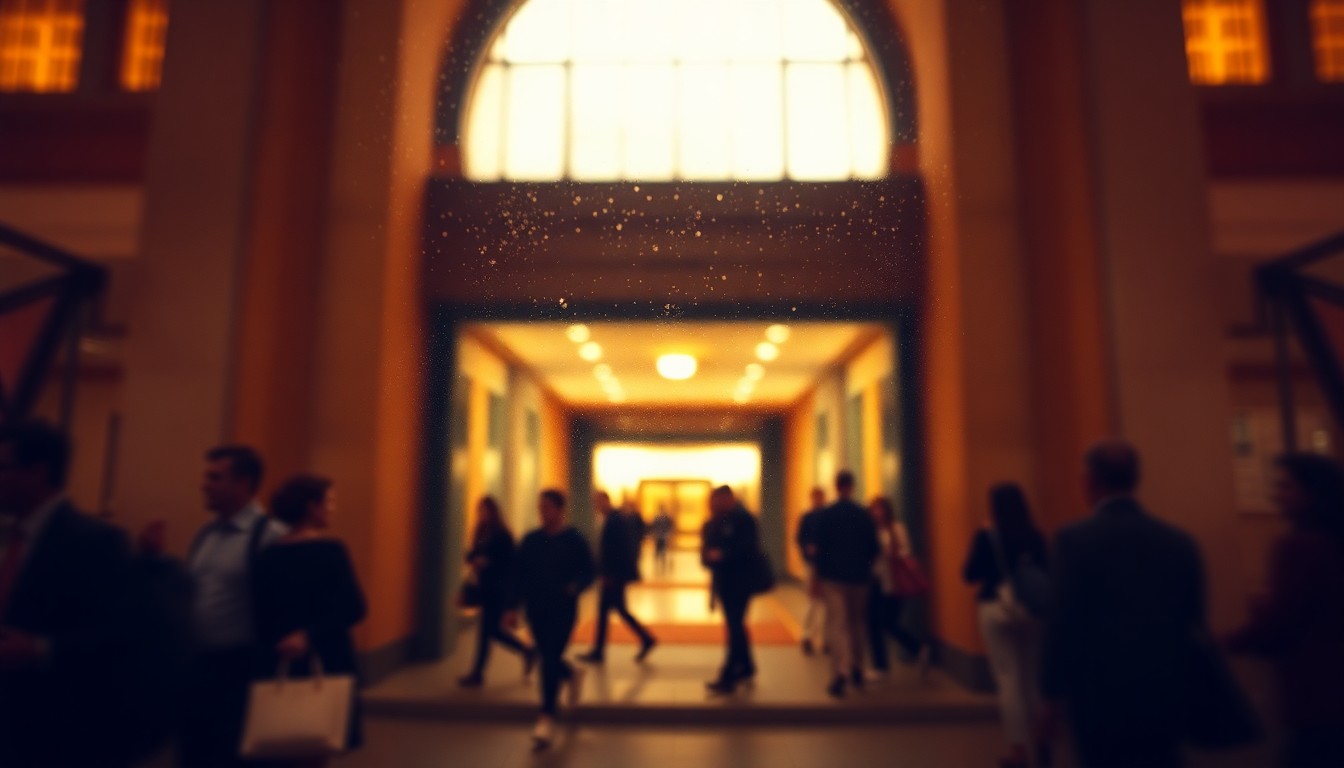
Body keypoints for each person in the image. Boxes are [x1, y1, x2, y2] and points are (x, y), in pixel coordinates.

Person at [1041, 440, 1206, 768]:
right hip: (1164, 689)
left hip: (1098, 695)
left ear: (1088, 481)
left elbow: (1062, 622)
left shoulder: (1073, 540)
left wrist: (1050, 694)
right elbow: (1193, 619)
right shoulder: (1179, 541)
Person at [0, 420, 135, 767]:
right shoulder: (7, 534)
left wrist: (39, 649)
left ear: (38, 472)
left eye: (4, 467)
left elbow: (120, 636)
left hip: (50, 726)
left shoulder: (96, 542)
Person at [1226, 453, 1344, 768]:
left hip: (1315, 693)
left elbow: (1281, 623)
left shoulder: (1296, 547)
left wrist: (1225, 642)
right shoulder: (1332, 542)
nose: (1276, 495)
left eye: (1285, 487)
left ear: (1312, 492)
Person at [179, 445, 287, 768]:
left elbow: (284, 605)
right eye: (206, 476)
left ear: (243, 483)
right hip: (199, 668)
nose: (204, 484)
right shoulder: (205, 534)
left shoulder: (270, 537)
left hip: (240, 670)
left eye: (215, 477)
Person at [251, 474, 367, 764]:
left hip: (278, 660)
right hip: (327, 660)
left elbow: (260, 612)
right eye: (329, 501)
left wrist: (284, 639)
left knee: (281, 744)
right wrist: (309, 635)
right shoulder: (331, 551)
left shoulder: (267, 556)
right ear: (311, 507)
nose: (332, 508)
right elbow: (354, 607)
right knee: (317, 742)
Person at [962, 483, 1050, 768]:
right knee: (1033, 680)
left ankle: (1018, 751)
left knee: (1008, 680)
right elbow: (1047, 573)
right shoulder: (1035, 536)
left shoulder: (987, 536)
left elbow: (969, 574)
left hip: (995, 609)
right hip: (1031, 612)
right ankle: (1042, 746)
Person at [505, 489, 596, 751]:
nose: (542, 512)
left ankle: (546, 717)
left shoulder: (574, 539)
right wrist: (511, 607)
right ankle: (572, 672)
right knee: (548, 657)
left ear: (560, 509)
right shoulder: (531, 540)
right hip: (537, 609)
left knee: (550, 658)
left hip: (563, 610)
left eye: (547, 507)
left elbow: (589, 571)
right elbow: (518, 575)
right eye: (540, 507)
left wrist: (576, 587)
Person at [812, 470, 880, 698]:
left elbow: (818, 549)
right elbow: (874, 547)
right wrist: (864, 566)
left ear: (836, 486)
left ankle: (841, 672)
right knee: (857, 624)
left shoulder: (827, 515)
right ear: (852, 486)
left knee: (838, 625)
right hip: (860, 577)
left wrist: (819, 576)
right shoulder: (863, 515)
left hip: (834, 578)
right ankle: (858, 668)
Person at [459, 496, 535, 687]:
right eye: (480, 511)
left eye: (485, 511)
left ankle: (478, 674)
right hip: (486, 588)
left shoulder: (502, 534)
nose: (481, 514)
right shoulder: (481, 531)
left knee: (488, 631)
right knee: (491, 631)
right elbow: (474, 554)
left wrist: (489, 562)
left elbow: (510, 563)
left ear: (493, 512)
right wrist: (472, 558)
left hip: (499, 588)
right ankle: (525, 651)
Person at [579, 490, 656, 664]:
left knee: (611, 610)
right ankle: (644, 639)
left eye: (597, 502)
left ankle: (601, 650)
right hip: (612, 575)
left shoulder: (616, 521)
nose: (595, 507)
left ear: (605, 501)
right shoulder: (613, 519)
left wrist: (611, 574)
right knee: (614, 610)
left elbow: (619, 551)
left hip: (613, 576)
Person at [701, 485, 764, 694]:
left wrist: (722, 555)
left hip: (740, 582)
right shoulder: (718, 520)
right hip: (725, 582)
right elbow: (708, 550)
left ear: (728, 499)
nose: (714, 505)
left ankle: (728, 676)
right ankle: (746, 666)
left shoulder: (743, 519)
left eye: (717, 500)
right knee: (735, 625)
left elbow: (747, 549)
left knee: (734, 627)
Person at [867, 496, 927, 677]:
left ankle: (918, 648)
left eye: (880, 508)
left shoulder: (897, 528)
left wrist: (894, 554)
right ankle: (880, 667)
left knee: (888, 623)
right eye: (874, 509)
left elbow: (907, 551)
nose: (877, 512)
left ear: (887, 510)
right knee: (873, 624)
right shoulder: (870, 530)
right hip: (875, 581)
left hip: (895, 582)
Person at [795, 487, 827, 655]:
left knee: (826, 604)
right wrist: (808, 552)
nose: (818, 500)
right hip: (812, 565)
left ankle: (824, 638)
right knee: (812, 601)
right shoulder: (807, 518)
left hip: (827, 567)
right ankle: (807, 635)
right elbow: (800, 539)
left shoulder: (829, 516)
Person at [650, 505, 674, 576]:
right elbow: (654, 527)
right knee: (658, 550)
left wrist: (668, 534)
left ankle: (662, 563)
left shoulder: (664, 517)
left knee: (662, 550)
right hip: (659, 536)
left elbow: (669, 526)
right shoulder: (657, 517)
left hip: (663, 536)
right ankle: (658, 562)